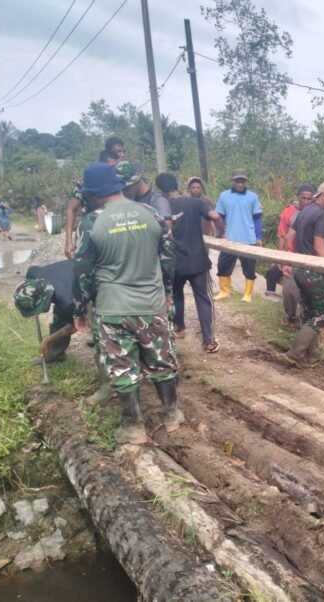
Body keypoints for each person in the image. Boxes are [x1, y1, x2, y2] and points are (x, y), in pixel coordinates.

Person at [73, 162, 180, 445]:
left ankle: (133, 427)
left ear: (94, 194)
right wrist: (167, 291)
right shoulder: (151, 213)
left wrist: (80, 306)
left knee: (122, 366)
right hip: (151, 303)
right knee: (162, 359)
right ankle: (172, 414)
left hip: (112, 308)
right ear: (118, 187)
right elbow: (169, 258)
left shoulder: (91, 222)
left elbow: (82, 270)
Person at [155, 173, 224, 352]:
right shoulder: (196, 202)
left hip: (175, 262)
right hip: (198, 261)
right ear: (177, 185)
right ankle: (208, 340)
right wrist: (221, 233)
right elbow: (215, 216)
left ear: (161, 190)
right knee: (203, 299)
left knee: (177, 295)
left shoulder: (161, 208)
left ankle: (180, 328)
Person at [284, 181, 324, 368]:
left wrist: (288, 261)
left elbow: (288, 239)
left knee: (310, 313)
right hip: (314, 272)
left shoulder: (303, 211)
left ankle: (313, 356)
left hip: (300, 269)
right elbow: (319, 247)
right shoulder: (323, 217)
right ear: (323, 195)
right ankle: (295, 352)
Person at [64, 137, 126, 257]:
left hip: (118, 231)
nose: (122, 155)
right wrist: (69, 241)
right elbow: (71, 209)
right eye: (118, 151)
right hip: (92, 231)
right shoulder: (88, 180)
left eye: (124, 151)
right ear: (107, 152)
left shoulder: (123, 179)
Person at [268, 183, 315, 324]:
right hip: (291, 256)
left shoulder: (316, 213)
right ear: (297, 197)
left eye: (309, 199)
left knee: (309, 291)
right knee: (290, 290)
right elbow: (282, 236)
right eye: (303, 198)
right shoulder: (288, 212)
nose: (306, 201)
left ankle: (306, 318)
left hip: (310, 257)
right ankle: (290, 315)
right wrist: (281, 258)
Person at [213, 169, 262, 302]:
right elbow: (220, 216)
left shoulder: (253, 196)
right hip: (229, 238)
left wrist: (259, 237)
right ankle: (225, 291)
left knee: (249, 268)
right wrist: (219, 233)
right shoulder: (224, 196)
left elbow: (257, 218)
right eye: (237, 181)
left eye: (242, 182)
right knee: (223, 265)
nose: (240, 184)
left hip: (248, 238)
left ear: (246, 182)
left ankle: (248, 294)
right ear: (233, 181)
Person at [115, 161, 172, 227]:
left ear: (138, 181)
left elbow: (167, 230)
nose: (123, 191)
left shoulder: (158, 201)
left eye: (126, 188)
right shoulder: (128, 202)